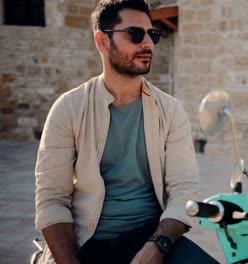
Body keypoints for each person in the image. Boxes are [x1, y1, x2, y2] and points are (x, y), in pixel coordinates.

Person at [34, 0, 218, 263]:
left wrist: (158, 245)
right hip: (87, 240)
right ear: (102, 41)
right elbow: (51, 199)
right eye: (134, 33)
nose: (148, 43)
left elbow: (184, 190)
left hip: (151, 235)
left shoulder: (170, 110)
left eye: (152, 34)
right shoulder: (69, 108)